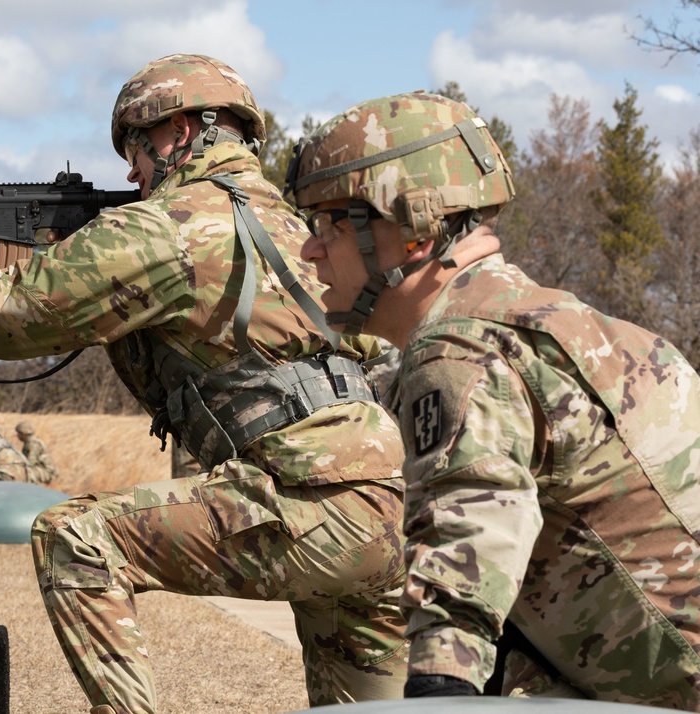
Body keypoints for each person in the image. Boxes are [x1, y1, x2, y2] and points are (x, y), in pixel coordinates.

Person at [0, 54, 410, 714]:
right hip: (383, 506)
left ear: (185, 130)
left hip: (303, 499)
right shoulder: (300, 229)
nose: (130, 170)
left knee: (77, 539)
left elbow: (1, 320)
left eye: (135, 144)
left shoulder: (162, 228)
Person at [291, 91, 700, 709]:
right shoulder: (566, 325)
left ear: (415, 233)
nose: (310, 249)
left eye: (330, 224)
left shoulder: (460, 348)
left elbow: (470, 536)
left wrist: (438, 689)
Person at [14, 420, 59, 485]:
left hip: (47, 471)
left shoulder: (32, 445)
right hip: (44, 469)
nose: (17, 436)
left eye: (18, 433)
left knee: (25, 474)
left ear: (23, 434)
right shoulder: (31, 442)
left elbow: (30, 464)